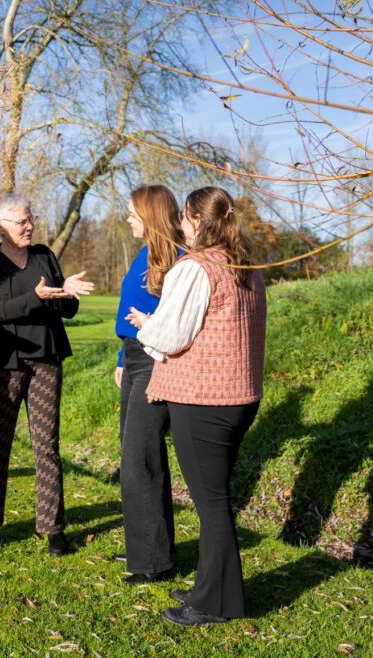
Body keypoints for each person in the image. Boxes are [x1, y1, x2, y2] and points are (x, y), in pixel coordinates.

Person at [127, 186, 267, 625]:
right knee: (216, 500)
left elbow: (170, 337)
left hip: (203, 400)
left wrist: (148, 327)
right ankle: (209, 587)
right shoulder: (248, 267)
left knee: (212, 505)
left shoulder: (194, 268)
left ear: (194, 219)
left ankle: (216, 604)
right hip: (241, 398)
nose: (181, 226)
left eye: (185, 219)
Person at [0, 192, 95, 556]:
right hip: (3, 362)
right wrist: (37, 298)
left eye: (31, 219)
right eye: (22, 221)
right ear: (0, 227)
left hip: (46, 358)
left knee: (47, 445)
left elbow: (65, 310)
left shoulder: (44, 256)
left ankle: (53, 529)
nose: (30, 226)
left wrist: (68, 293)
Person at [114, 184, 184, 584]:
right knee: (133, 456)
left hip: (159, 361)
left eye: (133, 213)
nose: (128, 219)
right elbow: (130, 314)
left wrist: (145, 344)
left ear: (151, 214)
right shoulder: (144, 254)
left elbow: (178, 321)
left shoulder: (180, 260)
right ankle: (144, 545)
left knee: (142, 457)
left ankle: (154, 562)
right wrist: (124, 359)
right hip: (136, 356)